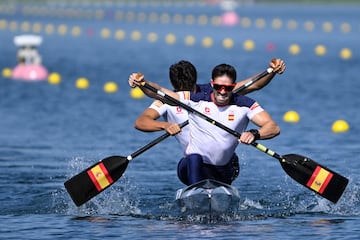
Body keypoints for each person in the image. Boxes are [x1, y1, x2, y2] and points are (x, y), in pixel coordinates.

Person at [128, 63, 281, 186]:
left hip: (225, 168)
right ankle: (196, 193)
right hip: (191, 166)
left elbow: (252, 85)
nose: (222, 91)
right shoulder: (187, 98)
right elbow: (157, 92)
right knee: (195, 157)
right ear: (212, 84)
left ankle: (220, 193)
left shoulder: (223, 96)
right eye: (218, 87)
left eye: (227, 88)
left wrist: (254, 134)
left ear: (232, 87)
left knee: (232, 160)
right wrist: (142, 83)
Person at [132, 59, 285, 154]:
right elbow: (141, 121)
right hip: (193, 162)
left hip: (224, 161)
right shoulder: (168, 100)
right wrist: (165, 125)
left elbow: (253, 84)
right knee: (192, 163)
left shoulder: (212, 91)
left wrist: (271, 71)